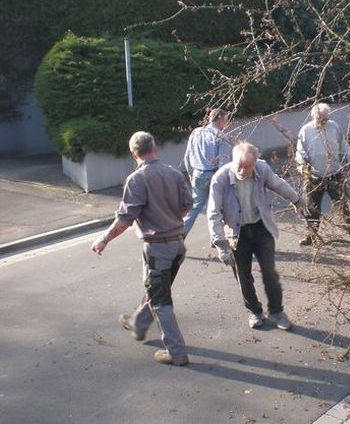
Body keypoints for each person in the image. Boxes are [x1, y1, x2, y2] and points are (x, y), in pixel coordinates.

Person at [91, 131, 193, 366]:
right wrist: (170, 219)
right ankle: (138, 323)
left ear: (133, 153)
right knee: (157, 290)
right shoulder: (174, 173)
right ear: (154, 148)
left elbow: (125, 219)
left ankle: (176, 352)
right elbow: (188, 205)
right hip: (178, 245)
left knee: (161, 301)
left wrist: (104, 239)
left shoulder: (137, 180)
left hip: (158, 248)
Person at [207, 142, 306, 330]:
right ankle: (254, 311)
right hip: (237, 233)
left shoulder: (262, 168)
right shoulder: (220, 178)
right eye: (239, 166)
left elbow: (278, 184)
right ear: (233, 160)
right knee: (243, 276)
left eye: (248, 167)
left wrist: (297, 200)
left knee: (270, 272)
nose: (243, 170)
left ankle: (277, 311)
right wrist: (221, 245)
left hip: (261, 228)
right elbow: (213, 213)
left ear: (255, 164)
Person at [295, 102, 350, 246]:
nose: (324, 121)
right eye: (320, 119)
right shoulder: (305, 130)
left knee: (343, 204)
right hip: (314, 176)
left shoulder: (334, 126)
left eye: (326, 118)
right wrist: (302, 166)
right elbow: (300, 152)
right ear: (313, 117)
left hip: (334, 173)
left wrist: (349, 157)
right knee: (312, 208)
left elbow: (343, 144)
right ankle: (311, 235)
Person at [182, 108, 232, 236]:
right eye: (226, 119)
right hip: (215, 175)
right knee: (216, 208)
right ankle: (217, 237)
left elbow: (187, 156)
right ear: (220, 119)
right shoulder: (222, 137)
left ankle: (179, 235)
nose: (226, 122)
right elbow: (223, 164)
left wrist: (190, 173)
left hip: (198, 174)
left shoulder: (196, 132)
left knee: (194, 207)